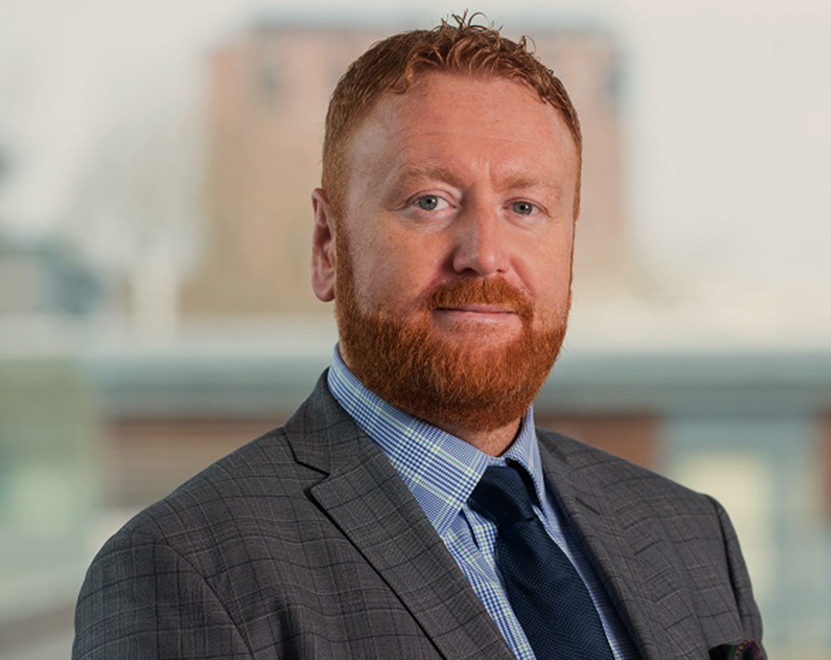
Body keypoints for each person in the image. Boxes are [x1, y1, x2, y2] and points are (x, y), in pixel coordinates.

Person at [73, 15, 764, 660]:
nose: (484, 254)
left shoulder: (691, 536)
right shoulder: (183, 572)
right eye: (429, 202)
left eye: (525, 207)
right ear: (326, 246)